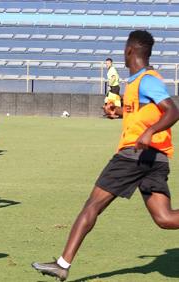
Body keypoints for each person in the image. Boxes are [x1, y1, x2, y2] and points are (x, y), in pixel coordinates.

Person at [32, 30, 179, 281]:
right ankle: (62, 263)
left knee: (92, 205)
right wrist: (118, 112)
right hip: (154, 158)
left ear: (130, 50)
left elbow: (172, 111)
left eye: (124, 48)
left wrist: (149, 133)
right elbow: (142, 114)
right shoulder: (136, 82)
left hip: (134, 154)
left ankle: (62, 264)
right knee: (164, 219)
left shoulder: (148, 80)